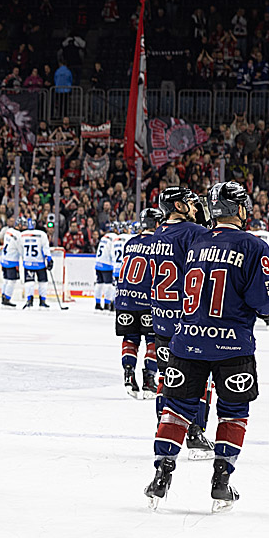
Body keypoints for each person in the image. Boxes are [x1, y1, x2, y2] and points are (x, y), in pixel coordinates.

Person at [145, 182, 269, 512]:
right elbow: (265, 303)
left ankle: (161, 476)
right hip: (232, 347)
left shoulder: (196, 243)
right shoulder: (254, 245)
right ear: (237, 209)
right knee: (234, 412)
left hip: (187, 341)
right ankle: (221, 481)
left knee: (176, 409)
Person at [147, 186, 215, 458]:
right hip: (188, 319)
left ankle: (163, 425)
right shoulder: (193, 232)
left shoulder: (157, 234)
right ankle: (195, 432)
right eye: (191, 203)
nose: (196, 207)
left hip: (162, 319)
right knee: (201, 377)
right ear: (177, 206)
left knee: (167, 376)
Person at [114, 209, 162, 400]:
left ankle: (128, 374)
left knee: (130, 337)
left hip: (124, 298)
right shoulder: (159, 244)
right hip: (147, 299)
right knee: (153, 339)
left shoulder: (130, 242)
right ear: (157, 224)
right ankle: (149, 379)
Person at [18, 217, 53, 308]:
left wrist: (24, 258)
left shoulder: (22, 235)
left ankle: (29, 300)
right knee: (43, 282)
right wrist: (49, 259)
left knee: (29, 282)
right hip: (40, 262)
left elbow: (20, 249)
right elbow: (45, 248)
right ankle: (43, 301)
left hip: (28, 262)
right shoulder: (42, 234)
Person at [94, 222, 118, 311]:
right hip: (107, 263)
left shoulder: (104, 236)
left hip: (98, 262)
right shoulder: (115, 237)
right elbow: (113, 252)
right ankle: (107, 304)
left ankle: (97, 303)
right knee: (109, 285)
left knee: (99, 283)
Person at [0, 223, 21, 306]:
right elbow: (20, 249)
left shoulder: (8, 231)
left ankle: (3, 295)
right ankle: (7, 298)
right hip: (12, 260)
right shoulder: (19, 235)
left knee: (6, 280)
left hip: (4, 259)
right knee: (11, 281)